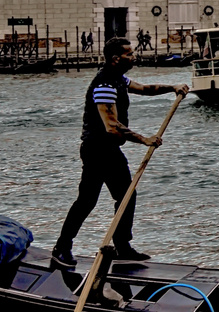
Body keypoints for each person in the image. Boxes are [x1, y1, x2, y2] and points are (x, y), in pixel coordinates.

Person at [51, 36, 187, 268]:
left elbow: (144, 89)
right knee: (89, 201)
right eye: (129, 54)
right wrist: (145, 140)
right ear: (116, 59)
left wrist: (171, 88)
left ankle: (122, 247)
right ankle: (63, 248)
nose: (133, 57)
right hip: (97, 150)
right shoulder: (104, 85)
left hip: (108, 149)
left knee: (123, 196)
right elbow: (112, 127)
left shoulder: (118, 80)